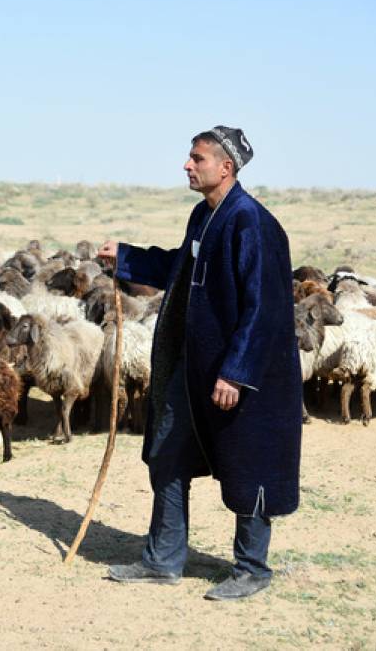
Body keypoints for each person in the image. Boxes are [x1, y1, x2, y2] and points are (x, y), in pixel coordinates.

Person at [98, 126, 301, 601]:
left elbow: (265, 308)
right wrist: (126, 258)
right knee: (167, 454)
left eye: (198, 158)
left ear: (225, 167)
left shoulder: (253, 224)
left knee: (249, 466)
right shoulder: (204, 216)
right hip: (193, 370)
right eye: (190, 158)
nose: (187, 165)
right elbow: (180, 267)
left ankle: (252, 569)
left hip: (244, 375)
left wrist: (236, 372)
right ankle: (162, 561)